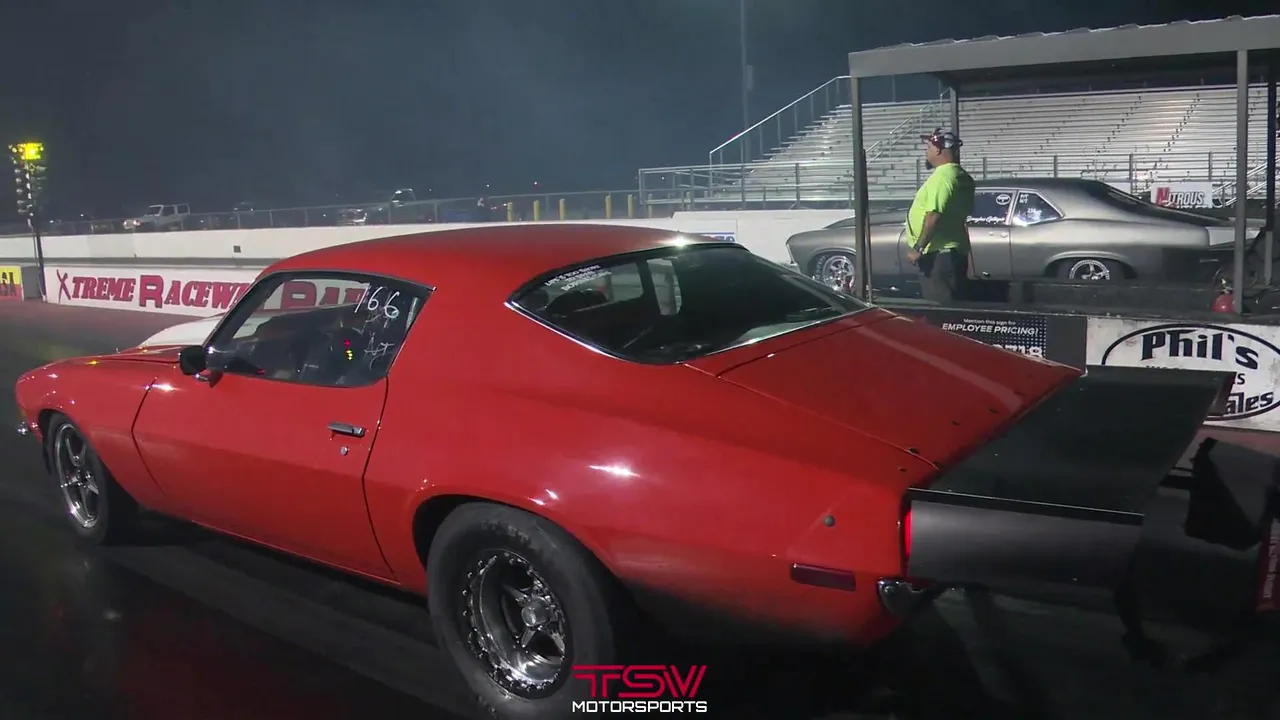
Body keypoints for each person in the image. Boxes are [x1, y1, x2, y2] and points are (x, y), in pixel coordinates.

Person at [905, 129, 975, 303]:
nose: (926, 152)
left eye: (928, 147)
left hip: (939, 256)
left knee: (940, 307)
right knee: (955, 302)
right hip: (953, 252)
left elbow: (933, 216)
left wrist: (918, 248)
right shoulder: (961, 176)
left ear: (937, 150)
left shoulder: (942, 177)